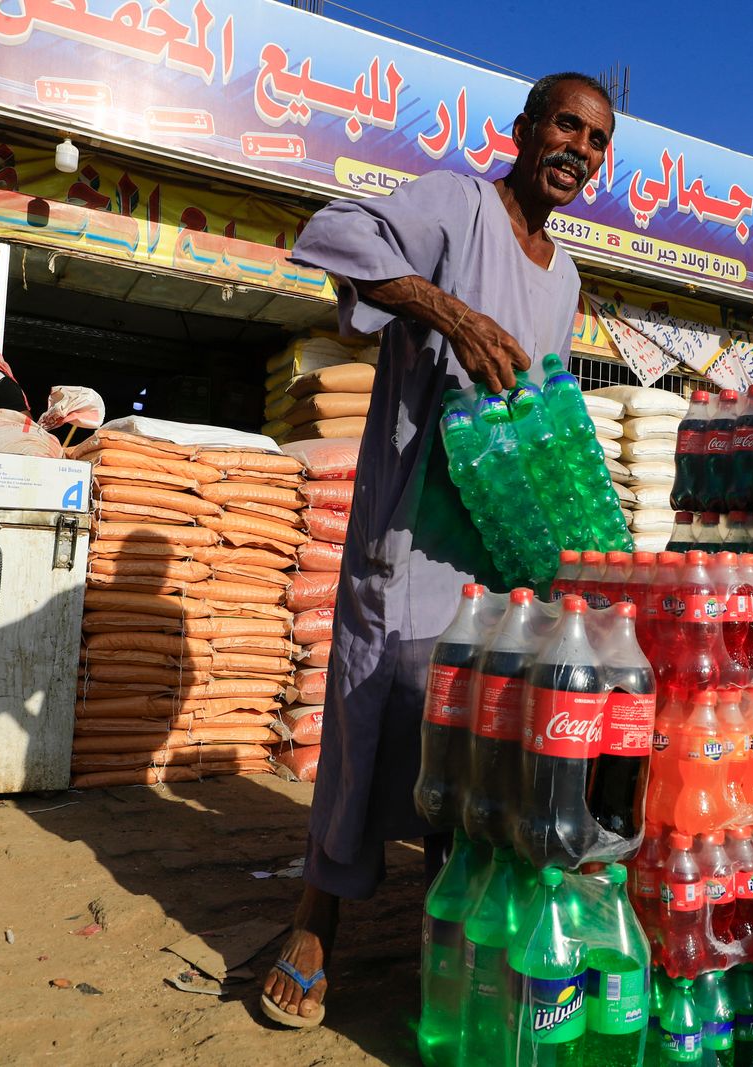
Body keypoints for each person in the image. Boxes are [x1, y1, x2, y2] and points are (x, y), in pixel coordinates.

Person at [260, 72, 614, 1029]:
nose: (577, 149)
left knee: (466, 729)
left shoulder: (569, 276)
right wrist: (450, 312)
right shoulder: (457, 204)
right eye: (565, 126)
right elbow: (337, 232)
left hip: (490, 540)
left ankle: (449, 924)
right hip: (411, 523)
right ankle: (315, 916)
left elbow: (532, 398)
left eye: (595, 140)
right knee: (368, 704)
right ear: (525, 128)